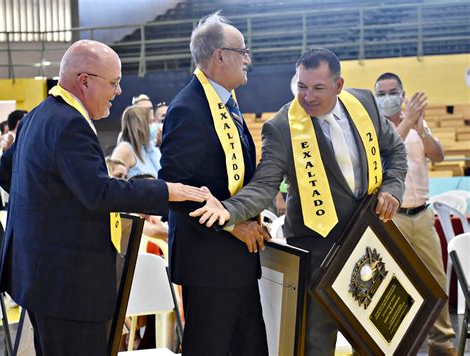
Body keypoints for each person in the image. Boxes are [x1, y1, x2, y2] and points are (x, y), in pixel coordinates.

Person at [0, 39, 208, 356]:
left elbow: (8, 175)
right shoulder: (69, 124)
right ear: (84, 81)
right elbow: (99, 193)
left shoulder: (38, 115)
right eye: (114, 83)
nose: (119, 92)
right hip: (69, 287)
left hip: (41, 278)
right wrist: (168, 191)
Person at [191, 48, 408, 355]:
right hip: (315, 246)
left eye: (318, 88)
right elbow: (264, 187)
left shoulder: (365, 103)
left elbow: (395, 151)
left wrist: (392, 187)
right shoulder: (281, 127)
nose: (307, 97)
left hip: (369, 238)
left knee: (378, 335)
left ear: (339, 85)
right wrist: (227, 210)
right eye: (301, 86)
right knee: (317, 342)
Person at [158, 12, 270, 356]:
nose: (248, 59)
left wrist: (252, 219)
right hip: (209, 260)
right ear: (220, 56)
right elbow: (174, 189)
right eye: (243, 51)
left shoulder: (227, 105)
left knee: (250, 347)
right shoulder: (189, 109)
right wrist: (233, 224)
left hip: (237, 259)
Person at [375, 73, 456, 356]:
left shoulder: (418, 124)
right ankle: (395, 345)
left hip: (422, 214)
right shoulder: (374, 128)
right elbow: (385, 156)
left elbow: (439, 156)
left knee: (435, 278)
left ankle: (441, 340)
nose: (387, 97)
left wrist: (420, 127)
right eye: (381, 93)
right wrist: (408, 120)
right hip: (390, 216)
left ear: (403, 93)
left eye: (392, 91)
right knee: (392, 283)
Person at [111, 105, 161, 178]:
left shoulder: (153, 150)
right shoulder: (124, 149)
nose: (154, 126)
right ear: (138, 125)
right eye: (150, 122)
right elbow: (114, 183)